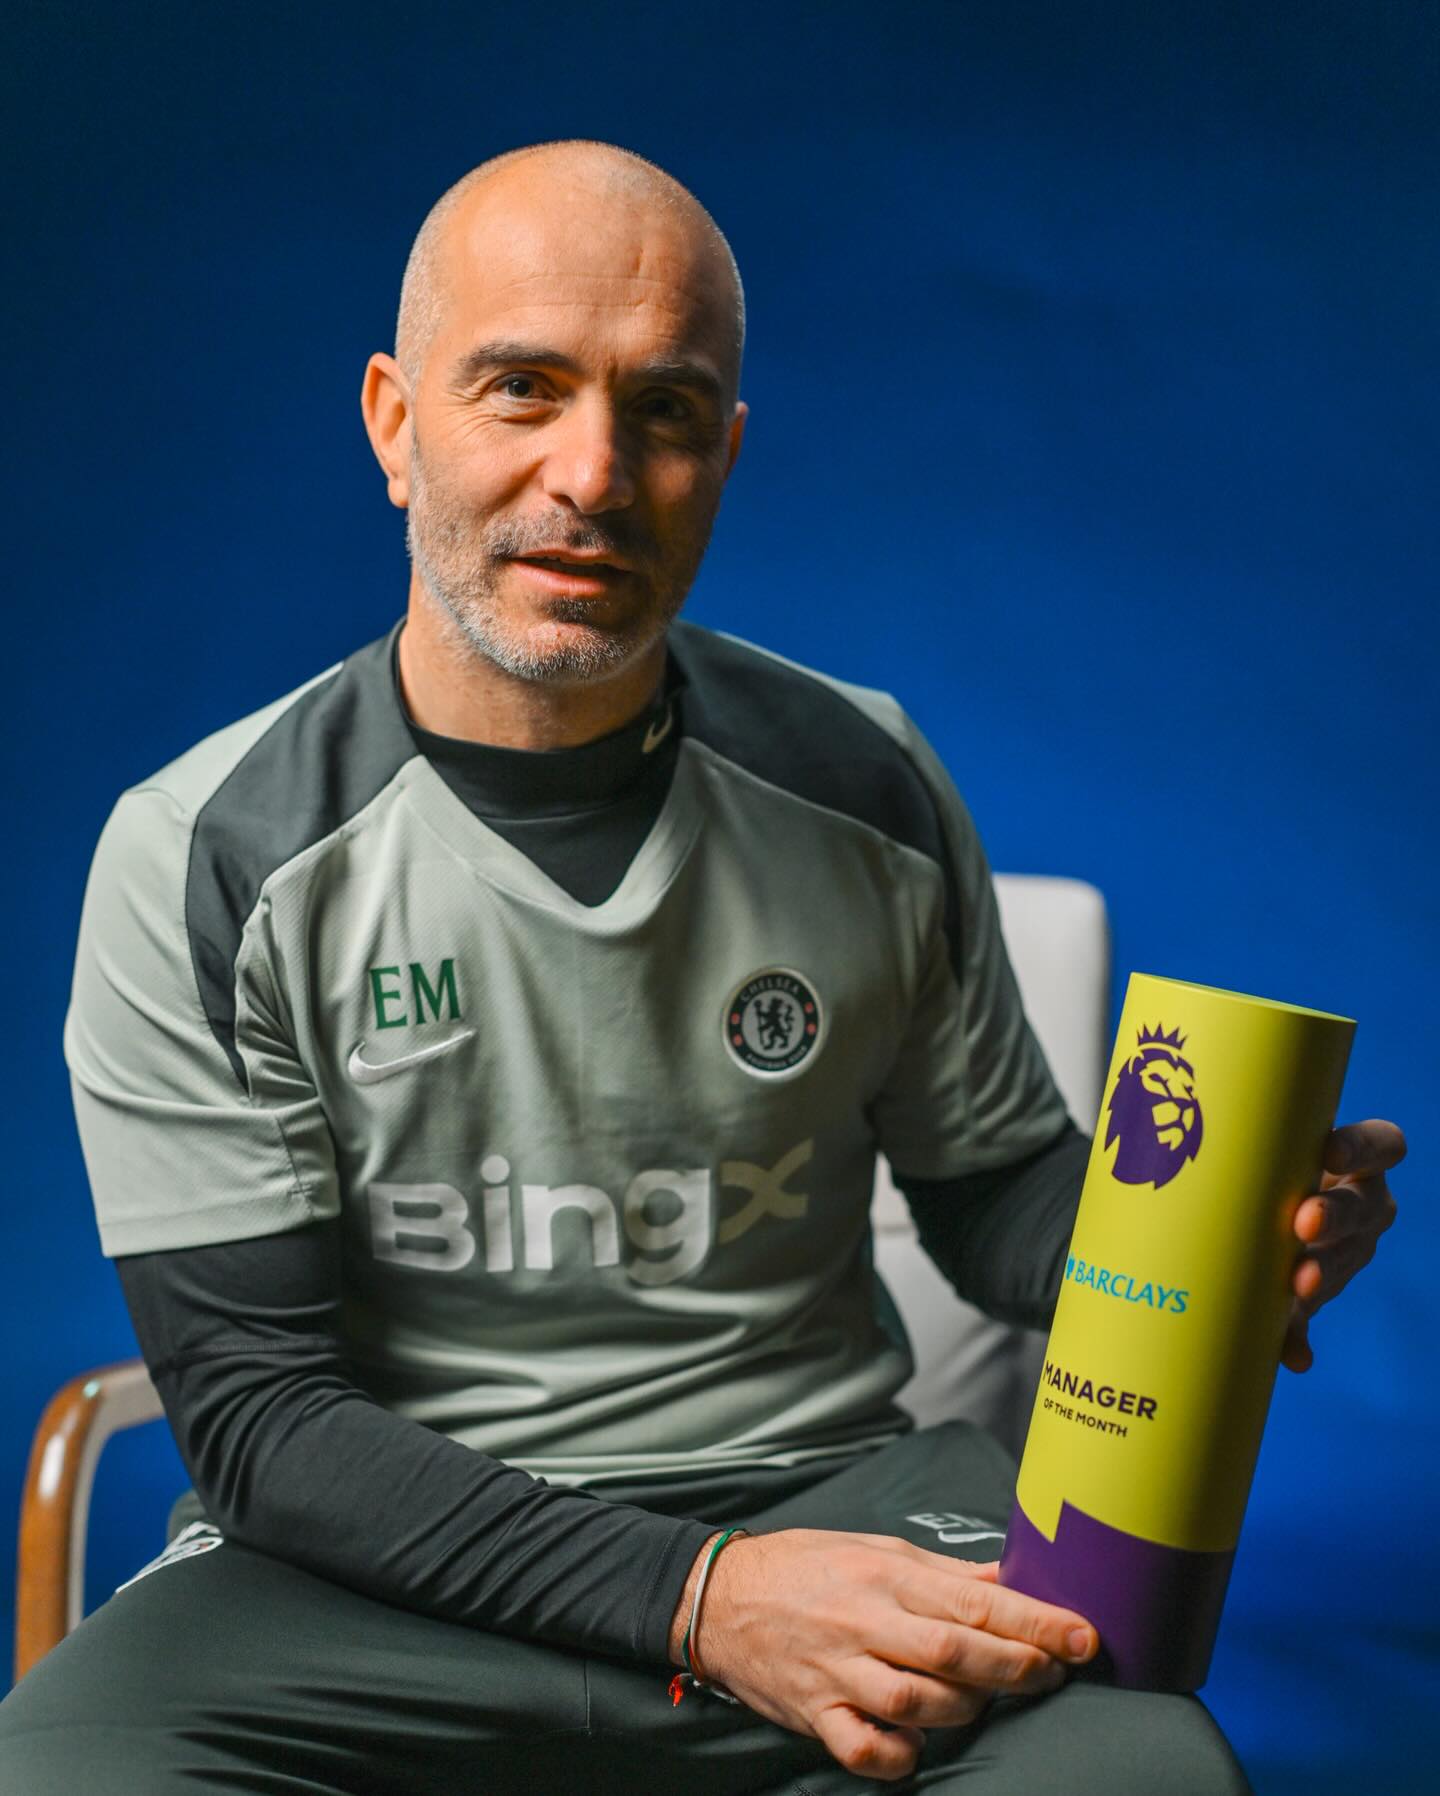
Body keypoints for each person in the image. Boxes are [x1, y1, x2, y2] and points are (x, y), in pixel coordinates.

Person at [0, 139, 1403, 1794]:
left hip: (830, 1502)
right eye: (522, 387)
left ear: (723, 454)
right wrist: (704, 1599)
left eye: (663, 409)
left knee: (1144, 1778)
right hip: (375, 1560)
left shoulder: (865, 781)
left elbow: (994, 1196)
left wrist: (1216, 1249)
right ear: (393, 420)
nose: (594, 473)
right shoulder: (202, 853)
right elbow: (260, 1420)